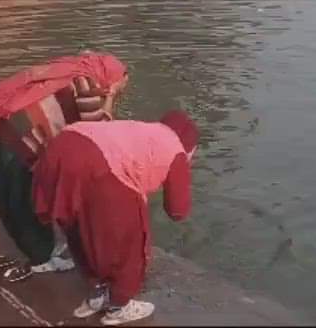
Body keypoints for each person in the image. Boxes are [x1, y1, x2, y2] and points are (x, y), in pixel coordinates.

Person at [0, 53, 130, 281]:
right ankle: (41, 259)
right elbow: (99, 132)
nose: (123, 89)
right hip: (19, 141)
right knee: (22, 200)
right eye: (122, 83)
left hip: (3, 128)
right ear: (115, 77)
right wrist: (110, 96)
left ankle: (38, 249)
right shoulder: (88, 85)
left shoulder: (72, 70)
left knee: (12, 198)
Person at [33, 112, 199, 325]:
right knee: (128, 243)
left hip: (60, 149)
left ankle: (96, 295)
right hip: (99, 166)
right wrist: (182, 171)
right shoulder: (175, 148)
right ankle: (120, 306)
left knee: (81, 233)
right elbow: (178, 211)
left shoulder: (142, 129)